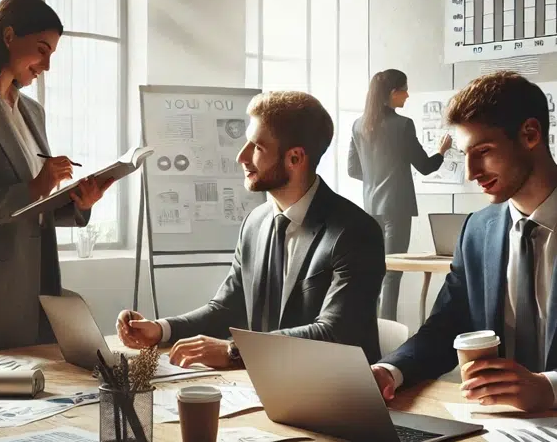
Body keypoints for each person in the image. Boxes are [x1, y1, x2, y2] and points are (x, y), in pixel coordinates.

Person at [117, 91, 386, 368]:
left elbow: (334, 333)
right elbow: (227, 308)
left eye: (257, 147)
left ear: (294, 158)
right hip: (266, 385)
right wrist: (161, 329)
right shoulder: (255, 223)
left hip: (337, 393)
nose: (241, 157)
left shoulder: (356, 232)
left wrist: (235, 351)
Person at [0, 0, 113, 352]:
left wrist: (78, 204)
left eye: (52, 55)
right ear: (9, 36)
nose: (46, 65)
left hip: (40, 297)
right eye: (41, 50)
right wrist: (34, 187)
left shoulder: (32, 111)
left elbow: (31, 213)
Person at [372, 71, 557, 413]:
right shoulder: (477, 231)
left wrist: (549, 388)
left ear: (530, 134)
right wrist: (389, 371)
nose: (471, 172)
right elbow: (446, 327)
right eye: (464, 154)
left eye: (483, 151)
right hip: (498, 425)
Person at [348, 69, 453, 321]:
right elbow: (425, 167)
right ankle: (388, 331)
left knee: (374, 272)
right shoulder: (403, 125)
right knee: (392, 273)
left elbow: (352, 170)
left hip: (370, 207)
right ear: (391, 93)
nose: (407, 94)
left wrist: (376, 177)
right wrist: (442, 151)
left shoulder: (358, 125)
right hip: (397, 207)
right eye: (404, 89)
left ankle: (371, 330)